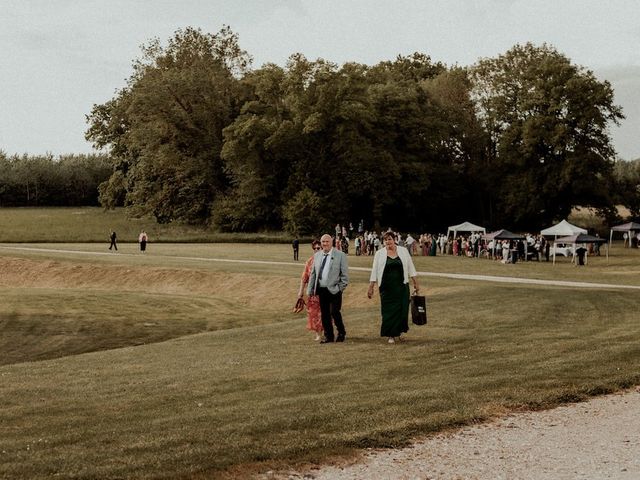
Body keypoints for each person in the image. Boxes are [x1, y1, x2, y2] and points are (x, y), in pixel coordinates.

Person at [367, 231, 420, 344]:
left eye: (389, 239)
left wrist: (415, 282)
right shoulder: (379, 253)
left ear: (394, 239)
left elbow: (411, 266)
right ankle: (391, 334)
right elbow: (374, 271)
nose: (387, 242)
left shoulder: (403, 251)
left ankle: (399, 333)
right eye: (385, 240)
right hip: (386, 288)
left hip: (402, 287)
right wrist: (371, 287)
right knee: (388, 311)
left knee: (402, 310)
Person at [307, 234, 349, 343]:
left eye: (327, 241)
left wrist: (340, 288)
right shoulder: (317, 256)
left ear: (331, 242)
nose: (325, 244)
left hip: (335, 289)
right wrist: (310, 290)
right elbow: (313, 274)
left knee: (334, 312)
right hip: (322, 289)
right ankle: (328, 336)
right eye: (323, 242)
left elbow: (344, 276)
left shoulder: (340, 255)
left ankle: (341, 332)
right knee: (325, 314)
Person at [297, 240, 323, 341]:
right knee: (314, 314)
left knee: (325, 313)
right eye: (315, 248)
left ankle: (326, 332)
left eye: (318, 248)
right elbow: (304, 278)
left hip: (325, 292)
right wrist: (300, 292)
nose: (316, 250)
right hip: (313, 293)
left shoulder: (327, 261)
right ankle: (318, 334)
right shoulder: (309, 262)